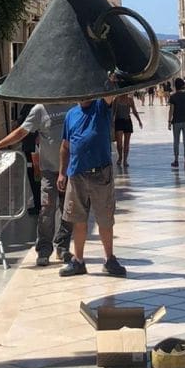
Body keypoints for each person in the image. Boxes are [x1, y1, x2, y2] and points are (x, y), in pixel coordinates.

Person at [0, 103, 72, 267]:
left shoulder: (71, 105)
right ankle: (44, 250)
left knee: (68, 211)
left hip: (70, 169)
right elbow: (22, 131)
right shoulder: (39, 110)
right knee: (46, 210)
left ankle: (63, 247)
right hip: (49, 170)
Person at [58, 87, 126, 277]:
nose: (84, 94)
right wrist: (62, 173)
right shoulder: (71, 114)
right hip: (76, 175)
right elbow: (65, 146)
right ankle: (78, 261)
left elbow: (110, 91)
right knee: (78, 220)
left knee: (104, 219)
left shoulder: (101, 106)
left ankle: (109, 260)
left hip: (101, 174)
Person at [168, 77, 185, 170]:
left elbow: (171, 110)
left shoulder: (173, 97)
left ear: (175, 86)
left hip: (176, 122)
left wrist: (169, 121)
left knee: (176, 141)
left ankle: (176, 160)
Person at [113, 92, 143, 168]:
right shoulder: (117, 99)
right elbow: (113, 112)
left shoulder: (130, 100)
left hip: (127, 121)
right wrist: (111, 122)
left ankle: (125, 160)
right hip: (119, 121)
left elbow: (134, 111)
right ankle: (120, 157)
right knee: (119, 143)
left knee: (127, 143)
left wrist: (139, 120)